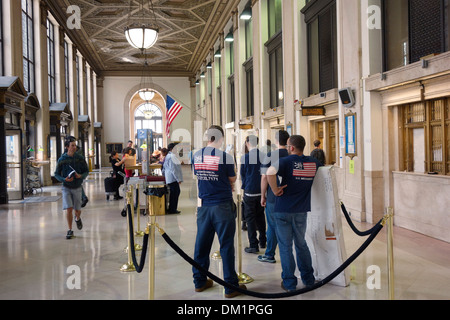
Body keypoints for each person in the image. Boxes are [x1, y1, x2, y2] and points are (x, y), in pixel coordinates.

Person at [192, 125, 246, 298]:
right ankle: (230, 286)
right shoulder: (226, 157)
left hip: (204, 206)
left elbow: (198, 175)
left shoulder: (196, 155)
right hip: (222, 205)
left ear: (208, 137)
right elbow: (232, 178)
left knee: (201, 245)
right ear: (221, 139)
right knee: (226, 245)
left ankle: (199, 282)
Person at [266, 135, 322, 292]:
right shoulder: (313, 162)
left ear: (291, 147)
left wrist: (276, 190)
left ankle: (290, 283)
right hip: (301, 211)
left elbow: (270, 172)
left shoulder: (286, 161)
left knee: (285, 246)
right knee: (301, 244)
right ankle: (308, 279)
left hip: (283, 209)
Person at [259, 130, 290, 264]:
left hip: (273, 197)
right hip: (289, 197)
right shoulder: (291, 154)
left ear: (276, 141)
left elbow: (265, 177)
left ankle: (269, 254)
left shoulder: (270, 155)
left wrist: (263, 195)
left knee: (272, 226)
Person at [54, 137, 89, 239]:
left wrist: (81, 176)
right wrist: (64, 179)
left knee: (77, 210)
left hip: (77, 187)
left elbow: (86, 171)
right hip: (66, 187)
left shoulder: (80, 158)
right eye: (72, 145)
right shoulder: (62, 159)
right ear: (67, 147)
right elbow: (56, 174)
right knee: (69, 208)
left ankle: (77, 218)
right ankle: (70, 230)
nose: (74, 147)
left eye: (75, 145)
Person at [240, 135, 266, 254]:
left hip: (250, 191)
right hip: (262, 191)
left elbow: (243, 175)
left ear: (247, 143)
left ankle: (253, 245)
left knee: (250, 219)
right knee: (261, 216)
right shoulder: (264, 156)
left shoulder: (245, 157)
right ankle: (263, 241)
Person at [163, 143, 183, 214]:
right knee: (175, 193)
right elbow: (173, 169)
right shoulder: (171, 156)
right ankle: (172, 209)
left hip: (171, 178)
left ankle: (172, 208)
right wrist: (178, 179)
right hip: (173, 178)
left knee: (174, 193)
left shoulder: (170, 156)